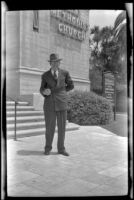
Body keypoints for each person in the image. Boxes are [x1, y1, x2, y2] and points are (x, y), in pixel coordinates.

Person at [40, 53, 74, 156]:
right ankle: (47, 148)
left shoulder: (65, 73)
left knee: (62, 127)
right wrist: (44, 92)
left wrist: (62, 92)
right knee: (49, 128)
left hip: (62, 103)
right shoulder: (45, 75)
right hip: (49, 104)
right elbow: (41, 88)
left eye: (57, 62)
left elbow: (71, 85)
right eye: (53, 62)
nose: (55, 64)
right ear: (50, 63)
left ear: (59, 63)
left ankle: (61, 149)